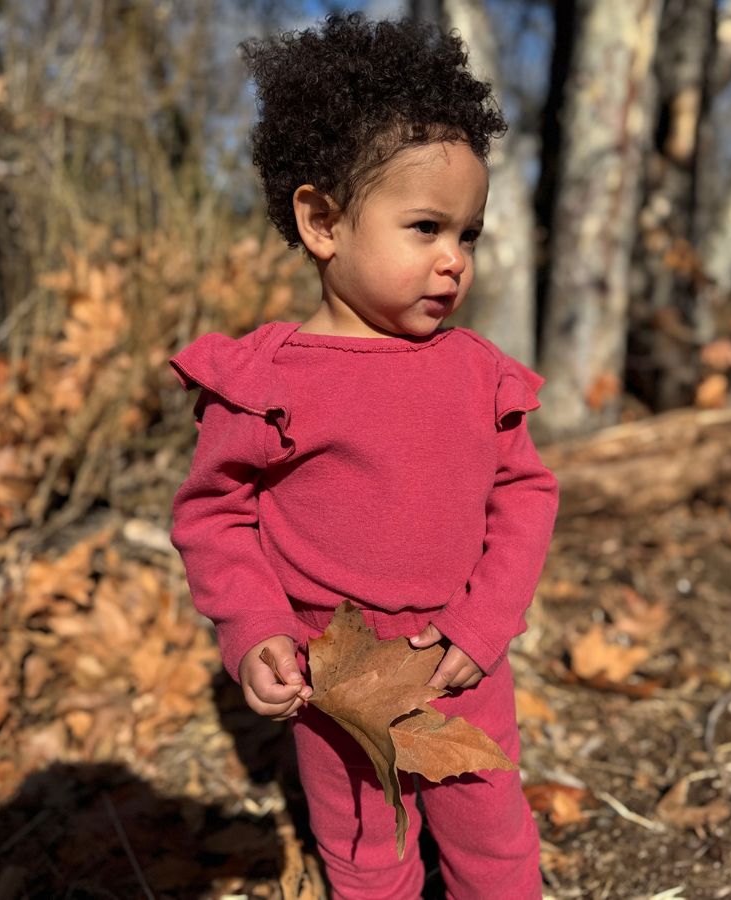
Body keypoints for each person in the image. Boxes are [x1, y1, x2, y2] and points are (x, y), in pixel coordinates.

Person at [168, 13, 558, 900]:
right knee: (366, 858)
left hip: (459, 665)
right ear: (323, 221)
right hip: (333, 682)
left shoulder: (479, 376)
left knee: (493, 846)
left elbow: (526, 496)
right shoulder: (271, 383)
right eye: (425, 227)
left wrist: (484, 625)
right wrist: (255, 628)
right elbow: (214, 514)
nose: (454, 261)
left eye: (468, 234)